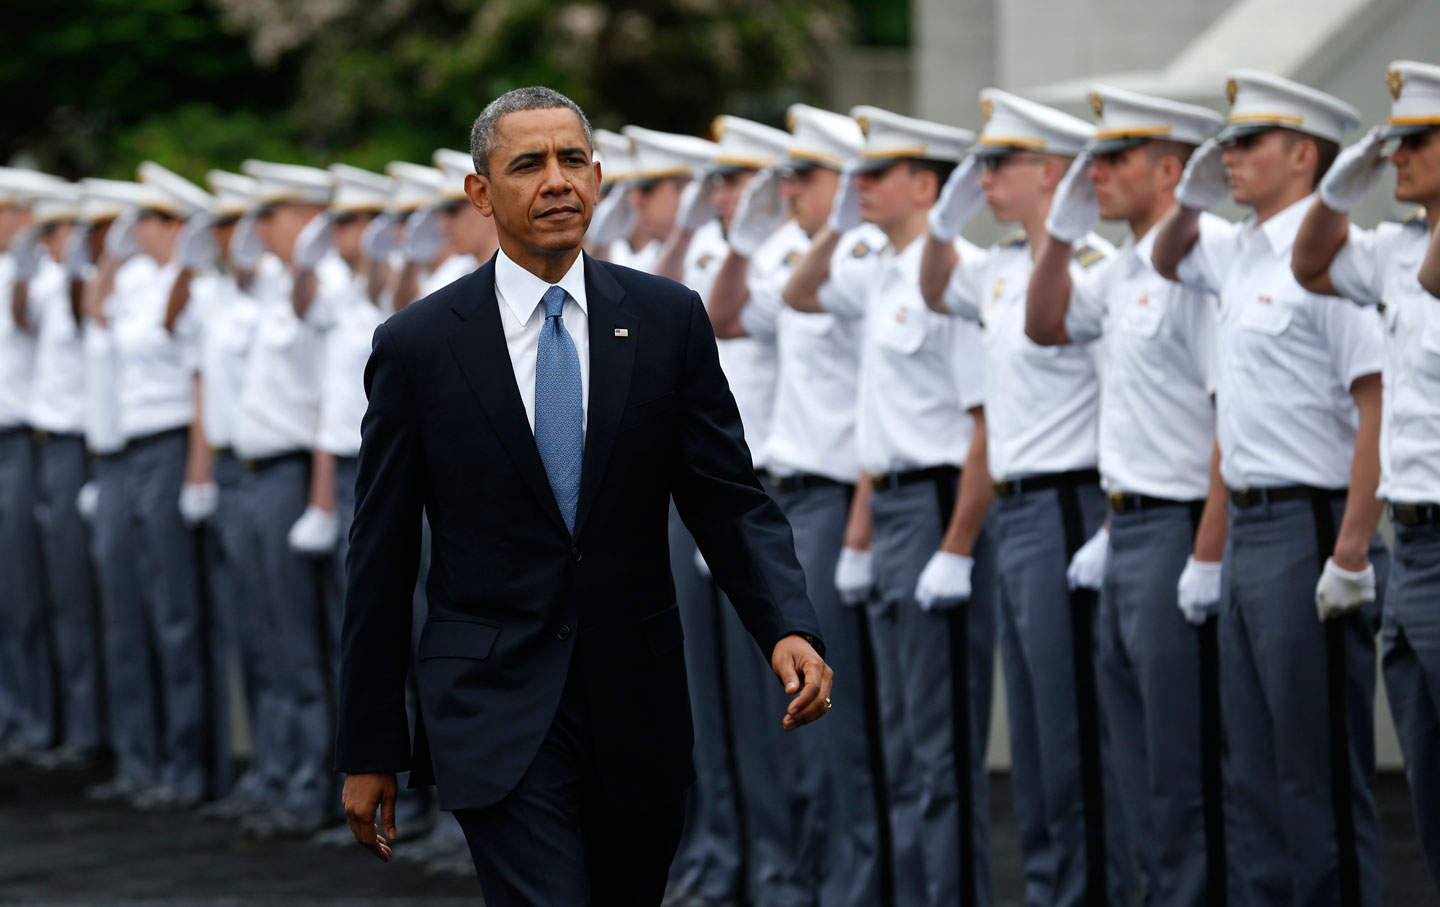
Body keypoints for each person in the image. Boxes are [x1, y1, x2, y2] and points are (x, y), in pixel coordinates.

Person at [335, 86, 833, 906]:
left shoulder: (668, 319)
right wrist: (369, 744)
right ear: (480, 194)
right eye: (528, 164)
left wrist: (786, 622)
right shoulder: (420, 346)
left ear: (599, 178)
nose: (557, 180)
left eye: (573, 160)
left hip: (635, 705)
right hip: (492, 710)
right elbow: (381, 558)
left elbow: (727, 497)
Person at [1151, 70, 1388, 907]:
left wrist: (1352, 549)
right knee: (1250, 772)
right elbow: (1166, 252)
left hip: (1308, 527)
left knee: (1314, 773)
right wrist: (1194, 190)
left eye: (1246, 143)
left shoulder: (1333, 263)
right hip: (1250, 532)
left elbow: (1376, 408)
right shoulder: (1240, 249)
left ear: (1301, 153)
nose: (1229, 157)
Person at [783, 104, 996, 907]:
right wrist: (836, 227)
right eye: (855, 176)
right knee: (906, 742)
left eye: (875, 176)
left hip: (941, 507)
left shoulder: (956, 279)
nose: (859, 187)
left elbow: (985, 429)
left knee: (942, 749)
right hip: (894, 511)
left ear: (925, 185)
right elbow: (801, 294)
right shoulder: (879, 271)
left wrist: (958, 544)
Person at [918, 88, 1126, 907]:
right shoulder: (1001, 268)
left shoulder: (1093, 272)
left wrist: (1110, 521)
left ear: (1049, 172)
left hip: (1072, 505)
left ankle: (1088, 892)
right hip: (1017, 509)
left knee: (1074, 733)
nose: (984, 178)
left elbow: (1121, 404)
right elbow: (937, 287)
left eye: (998, 164)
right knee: (1038, 739)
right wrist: (944, 222)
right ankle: (1051, 890)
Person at [1024, 85, 1231, 905]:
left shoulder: (1200, 262)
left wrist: (1207, 554)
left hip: (1182, 530)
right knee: (1139, 760)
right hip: (1126, 531)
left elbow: (1229, 423)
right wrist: (1064, 232)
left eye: (1117, 159)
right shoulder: (1122, 269)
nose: (1096, 172)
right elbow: (1046, 324)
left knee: (1183, 767)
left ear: (1172, 167)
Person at [705, 103, 894, 907]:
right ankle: (805, 875)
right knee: (776, 718)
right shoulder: (796, 254)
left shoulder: (868, 255)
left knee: (835, 720)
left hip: (837, 497)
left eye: (803, 176)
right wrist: (744, 240)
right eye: (783, 176)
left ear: (847, 182)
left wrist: (859, 518)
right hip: (783, 497)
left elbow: (875, 399)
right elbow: (723, 317)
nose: (788, 191)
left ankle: (851, 884)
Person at [1289, 59, 1440, 895]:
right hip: (1411, 544)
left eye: (1415, 140)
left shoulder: (1419, 258)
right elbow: (1310, 264)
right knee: (1426, 777)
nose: (1397, 155)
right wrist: (1342, 191)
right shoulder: (1393, 247)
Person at [232, 159, 337, 838]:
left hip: (293, 473)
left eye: (274, 215)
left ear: (305, 217)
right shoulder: (272, 285)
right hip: (250, 473)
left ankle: (314, 781)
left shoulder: (319, 287)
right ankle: (278, 770)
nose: (259, 229)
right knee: (266, 640)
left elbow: (333, 394)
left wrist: (321, 498)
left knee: (300, 644)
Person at [13, 177, 107, 769]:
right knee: (36, 596)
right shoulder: (43, 282)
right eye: (42, 232)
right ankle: (50, 724)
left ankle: (85, 730)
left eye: (58, 230)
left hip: (78, 446)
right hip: (41, 444)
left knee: (76, 599)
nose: (49, 242)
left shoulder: (84, 284)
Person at [0, 169, 54, 761]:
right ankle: (12, 716)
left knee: (26, 593)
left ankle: (37, 720)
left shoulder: (37, 277)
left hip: (18, 442)